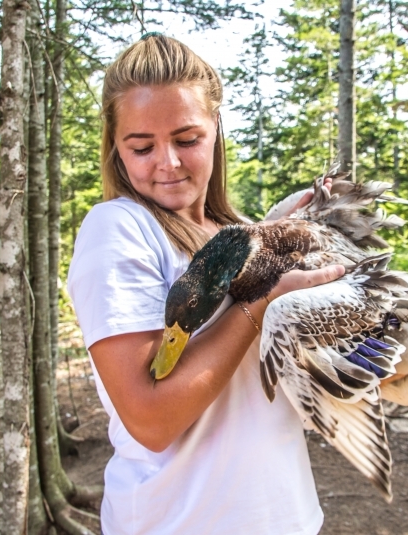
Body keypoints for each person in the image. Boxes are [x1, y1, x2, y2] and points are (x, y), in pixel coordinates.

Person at [66, 34, 343, 534]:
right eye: (142, 146)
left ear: (216, 128)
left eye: (187, 139)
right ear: (116, 148)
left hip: (285, 514)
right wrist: (261, 304)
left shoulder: (237, 231)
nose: (167, 162)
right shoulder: (120, 229)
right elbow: (152, 421)